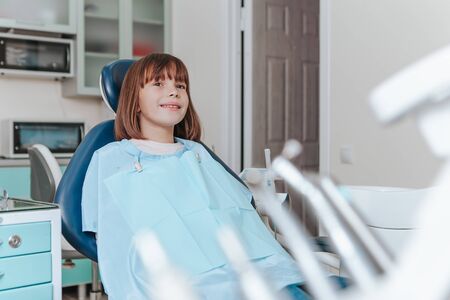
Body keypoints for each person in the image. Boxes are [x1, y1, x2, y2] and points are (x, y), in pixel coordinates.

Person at [81, 53, 313, 299]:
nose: (174, 92)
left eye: (180, 85)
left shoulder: (197, 153)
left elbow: (235, 208)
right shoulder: (113, 158)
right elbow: (117, 237)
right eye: (159, 84)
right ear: (134, 100)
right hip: (186, 278)